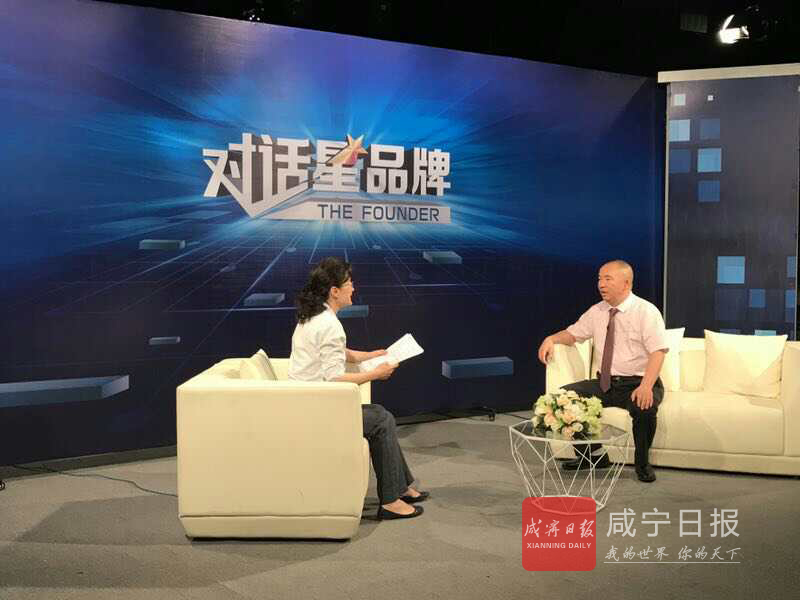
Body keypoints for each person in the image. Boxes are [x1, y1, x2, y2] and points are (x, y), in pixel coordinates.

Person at [288, 257, 428, 519]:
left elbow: (338, 353)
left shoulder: (314, 317)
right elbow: (333, 379)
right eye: (349, 283)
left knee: (378, 414)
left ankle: (401, 487)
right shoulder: (329, 325)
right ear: (334, 291)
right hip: (315, 409)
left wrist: (371, 355)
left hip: (306, 402)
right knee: (381, 419)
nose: (354, 287)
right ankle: (390, 501)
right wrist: (376, 373)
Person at [537, 260, 668, 483]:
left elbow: (658, 351)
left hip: (638, 382)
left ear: (626, 283)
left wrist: (646, 386)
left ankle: (642, 463)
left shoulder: (645, 311)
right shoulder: (597, 311)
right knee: (562, 399)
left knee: (644, 410)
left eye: (608, 279)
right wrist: (551, 339)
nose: (601, 284)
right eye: (599, 279)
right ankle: (592, 456)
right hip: (605, 383)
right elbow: (573, 334)